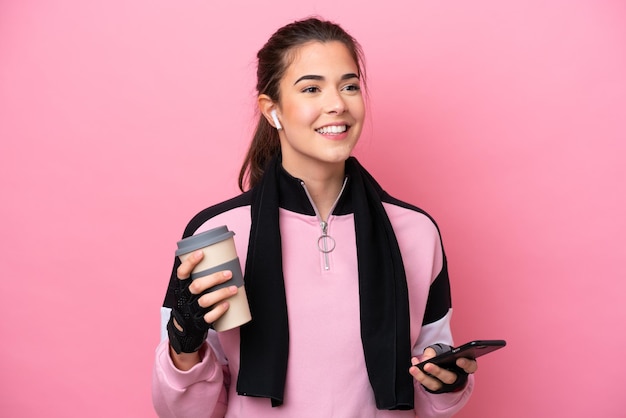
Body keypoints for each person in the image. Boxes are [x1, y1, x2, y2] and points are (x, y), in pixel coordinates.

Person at [152, 17, 477, 418]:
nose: (337, 103)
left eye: (349, 86)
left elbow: (431, 395)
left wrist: (448, 380)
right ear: (272, 110)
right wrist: (184, 346)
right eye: (311, 88)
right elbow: (183, 413)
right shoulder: (218, 235)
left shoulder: (417, 232)